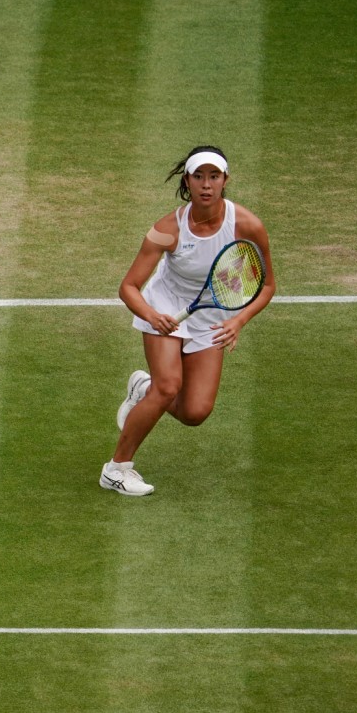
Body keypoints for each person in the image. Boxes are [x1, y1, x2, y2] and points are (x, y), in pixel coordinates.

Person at [100, 146, 276, 496]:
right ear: (188, 180)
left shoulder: (247, 225)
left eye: (214, 177)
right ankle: (116, 469)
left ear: (226, 181)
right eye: (199, 176)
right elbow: (129, 287)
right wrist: (152, 316)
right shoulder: (167, 229)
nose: (206, 185)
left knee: (195, 412)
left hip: (211, 313)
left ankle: (142, 389)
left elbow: (268, 285)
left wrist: (239, 322)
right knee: (169, 387)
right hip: (164, 305)